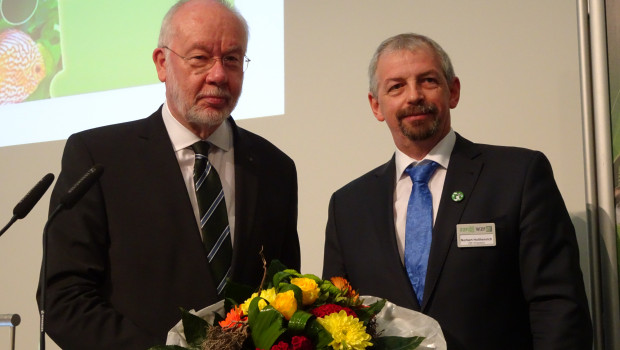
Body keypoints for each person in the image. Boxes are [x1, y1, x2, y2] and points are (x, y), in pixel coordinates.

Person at [37, 1, 300, 349]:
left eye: (232, 59)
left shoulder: (274, 168)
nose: (218, 74)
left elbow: (286, 297)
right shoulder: (99, 157)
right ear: (162, 63)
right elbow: (64, 299)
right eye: (200, 58)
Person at [322, 33, 592, 349]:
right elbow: (336, 319)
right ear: (376, 105)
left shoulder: (518, 175)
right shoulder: (348, 206)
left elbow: (558, 306)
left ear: (453, 91)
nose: (413, 96)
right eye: (396, 87)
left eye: (428, 81)